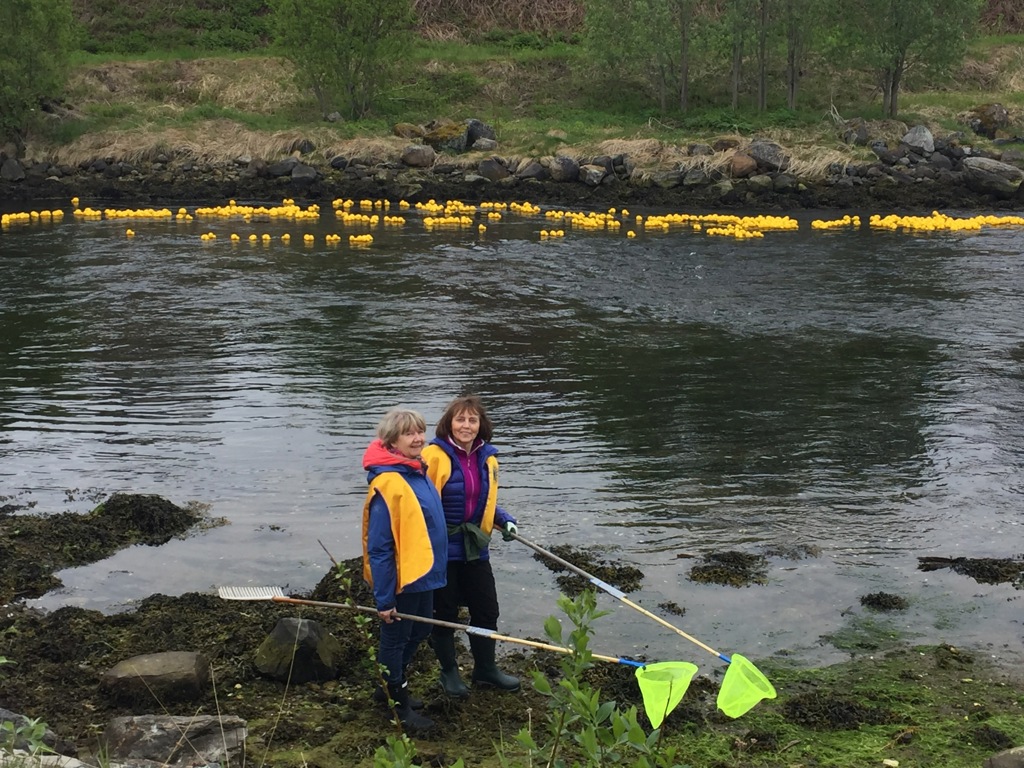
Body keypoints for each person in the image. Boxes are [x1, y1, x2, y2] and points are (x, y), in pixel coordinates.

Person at [422, 394, 520, 697]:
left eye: (472, 420)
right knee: (445, 614)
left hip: (475, 547)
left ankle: (485, 669)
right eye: (460, 419)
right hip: (441, 551)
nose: (466, 425)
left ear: (481, 425)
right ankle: (449, 673)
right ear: (449, 423)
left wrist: (503, 519)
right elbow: (423, 503)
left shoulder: (487, 458)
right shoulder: (434, 456)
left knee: (486, 610)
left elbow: (482, 500)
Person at [362, 407, 447, 732]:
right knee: (395, 639)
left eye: (421, 431)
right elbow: (380, 547)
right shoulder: (388, 483)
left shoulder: (418, 472)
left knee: (420, 631)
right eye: (410, 433)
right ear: (392, 441)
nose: (419, 438)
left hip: (425, 574)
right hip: (402, 580)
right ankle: (396, 703)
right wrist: (385, 598)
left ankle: (388, 686)